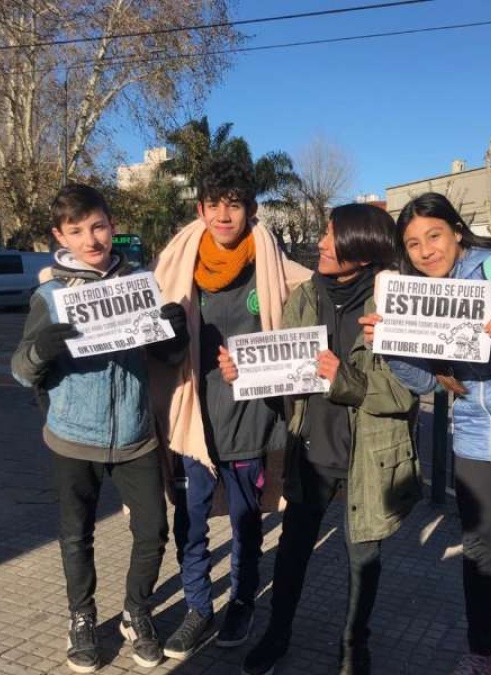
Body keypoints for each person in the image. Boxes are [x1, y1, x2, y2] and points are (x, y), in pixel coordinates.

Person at [362, 192, 491, 675]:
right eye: (413, 243)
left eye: (433, 236)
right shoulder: (416, 293)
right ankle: (480, 652)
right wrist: (390, 345)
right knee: (479, 549)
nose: (425, 251)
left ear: (456, 231)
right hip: (475, 435)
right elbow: (424, 382)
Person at [222, 203, 422, 675]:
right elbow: (284, 385)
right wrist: (249, 376)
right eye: (326, 234)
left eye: (333, 236)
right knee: (292, 556)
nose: (322, 243)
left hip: (369, 458)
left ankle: (355, 647)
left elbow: (404, 394)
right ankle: (277, 634)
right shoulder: (305, 297)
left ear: (362, 248)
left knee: (362, 562)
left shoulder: (393, 303)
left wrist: (343, 379)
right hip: (311, 452)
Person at [11, 183, 189, 673]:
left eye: (98, 226)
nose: (90, 239)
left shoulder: (140, 285)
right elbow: (21, 372)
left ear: (111, 225)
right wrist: (44, 347)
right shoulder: (48, 296)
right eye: (76, 230)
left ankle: (137, 610)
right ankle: (83, 618)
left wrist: (174, 329)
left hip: (135, 435)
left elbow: (168, 357)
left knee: (153, 532)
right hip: (73, 437)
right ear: (59, 235)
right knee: (76, 535)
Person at [149, 158, 311, 660]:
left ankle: (241, 601)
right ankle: (199, 607)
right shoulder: (177, 265)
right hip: (194, 417)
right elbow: (149, 330)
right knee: (191, 522)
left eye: (234, 205)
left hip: (250, 420)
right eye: (214, 204)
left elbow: (321, 297)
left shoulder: (273, 265)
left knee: (245, 523)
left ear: (249, 210)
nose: (224, 215)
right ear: (200, 209)